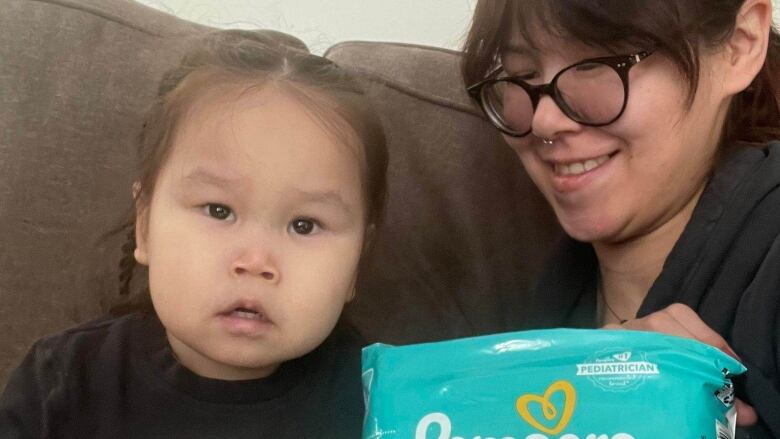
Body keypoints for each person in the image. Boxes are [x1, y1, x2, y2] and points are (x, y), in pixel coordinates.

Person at [0, 29, 387, 438]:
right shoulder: (63, 381)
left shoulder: (383, 403)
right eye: (219, 210)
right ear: (145, 226)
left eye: (304, 225)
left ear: (358, 260)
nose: (256, 262)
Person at [462, 0, 779, 436]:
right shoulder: (523, 306)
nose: (544, 120)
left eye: (595, 63)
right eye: (523, 75)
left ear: (739, 46)